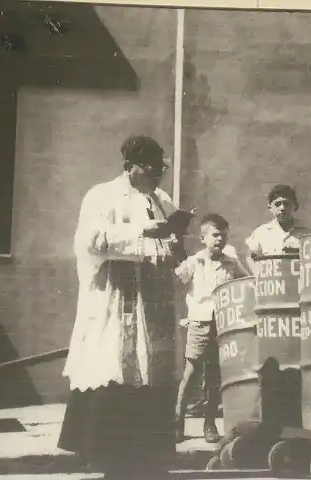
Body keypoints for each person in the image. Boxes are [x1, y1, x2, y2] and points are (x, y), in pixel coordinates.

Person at [58, 135, 185, 479]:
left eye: (161, 168)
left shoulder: (160, 199)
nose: (158, 175)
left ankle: (147, 457)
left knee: (150, 374)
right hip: (117, 299)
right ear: (130, 167)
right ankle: (110, 458)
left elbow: (173, 243)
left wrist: (175, 240)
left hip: (153, 303)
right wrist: (145, 230)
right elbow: (92, 240)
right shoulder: (102, 196)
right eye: (151, 168)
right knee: (116, 367)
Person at [173, 214, 249, 445]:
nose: (220, 239)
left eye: (224, 235)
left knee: (215, 376)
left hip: (223, 325)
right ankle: (176, 423)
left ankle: (209, 424)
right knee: (191, 373)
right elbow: (176, 280)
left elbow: (247, 282)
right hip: (199, 323)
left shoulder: (231, 262)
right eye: (215, 235)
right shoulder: (196, 262)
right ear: (203, 237)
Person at [245, 185, 304, 272]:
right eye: (277, 204)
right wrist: (257, 274)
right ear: (270, 207)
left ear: (295, 205)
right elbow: (249, 256)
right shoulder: (262, 232)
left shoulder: (307, 232)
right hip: (273, 283)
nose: (282, 208)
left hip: (298, 282)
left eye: (287, 203)